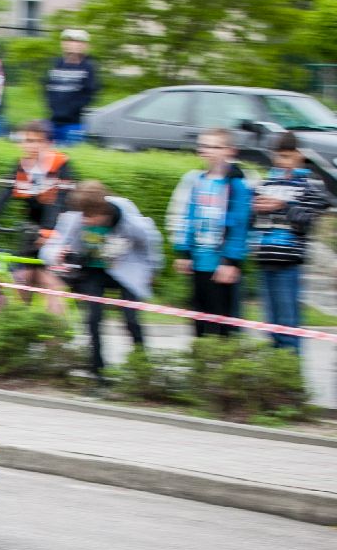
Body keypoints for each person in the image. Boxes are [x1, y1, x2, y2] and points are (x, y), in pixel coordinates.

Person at [41, 181, 162, 381]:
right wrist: (57, 253)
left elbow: (150, 242)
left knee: (131, 319)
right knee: (93, 319)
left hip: (127, 270)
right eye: (82, 215)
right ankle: (97, 370)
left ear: (102, 212)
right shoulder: (76, 217)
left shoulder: (128, 218)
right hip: (93, 270)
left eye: (89, 216)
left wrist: (152, 269)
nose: (84, 220)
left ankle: (143, 369)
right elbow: (51, 247)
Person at [249, 132, 330, 352]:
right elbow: (252, 219)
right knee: (271, 326)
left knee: (288, 326)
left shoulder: (309, 183)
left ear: (298, 155)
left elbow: (308, 220)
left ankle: (292, 369)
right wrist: (255, 208)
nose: (280, 162)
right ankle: (277, 369)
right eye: (277, 156)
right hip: (265, 258)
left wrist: (283, 206)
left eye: (286, 156)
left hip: (288, 262)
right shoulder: (267, 182)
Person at [168, 127, 251, 337]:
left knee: (223, 325)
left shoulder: (237, 185)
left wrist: (230, 261)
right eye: (205, 146)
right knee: (199, 320)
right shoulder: (197, 181)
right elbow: (189, 217)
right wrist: (184, 252)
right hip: (199, 261)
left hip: (221, 264)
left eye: (216, 147)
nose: (209, 151)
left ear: (230, 150)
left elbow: (239, 225)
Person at [0, 119, 77, 299]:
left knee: (47, 278)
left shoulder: (60, 163)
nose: (32, 146)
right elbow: (4, 192)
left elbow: (58, 200)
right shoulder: (22, 165)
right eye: (28, 140)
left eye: (38, 141)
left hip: (61, 225)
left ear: (49, 143)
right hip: (34, 224)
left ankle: (55, 315)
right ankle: (22, 314)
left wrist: (48, 229)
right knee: (24, 276)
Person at [44, 29, 99, 146]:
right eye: (69, 41)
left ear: (85, 45)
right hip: (53, 121)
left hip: (73, 124)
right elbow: (47, 88)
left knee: (71, 154)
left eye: (78, 41)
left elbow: (89, 93)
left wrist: (71, 110)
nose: (74, 44)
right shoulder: (56, 64)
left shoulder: (88, 67)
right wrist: (52, 106)